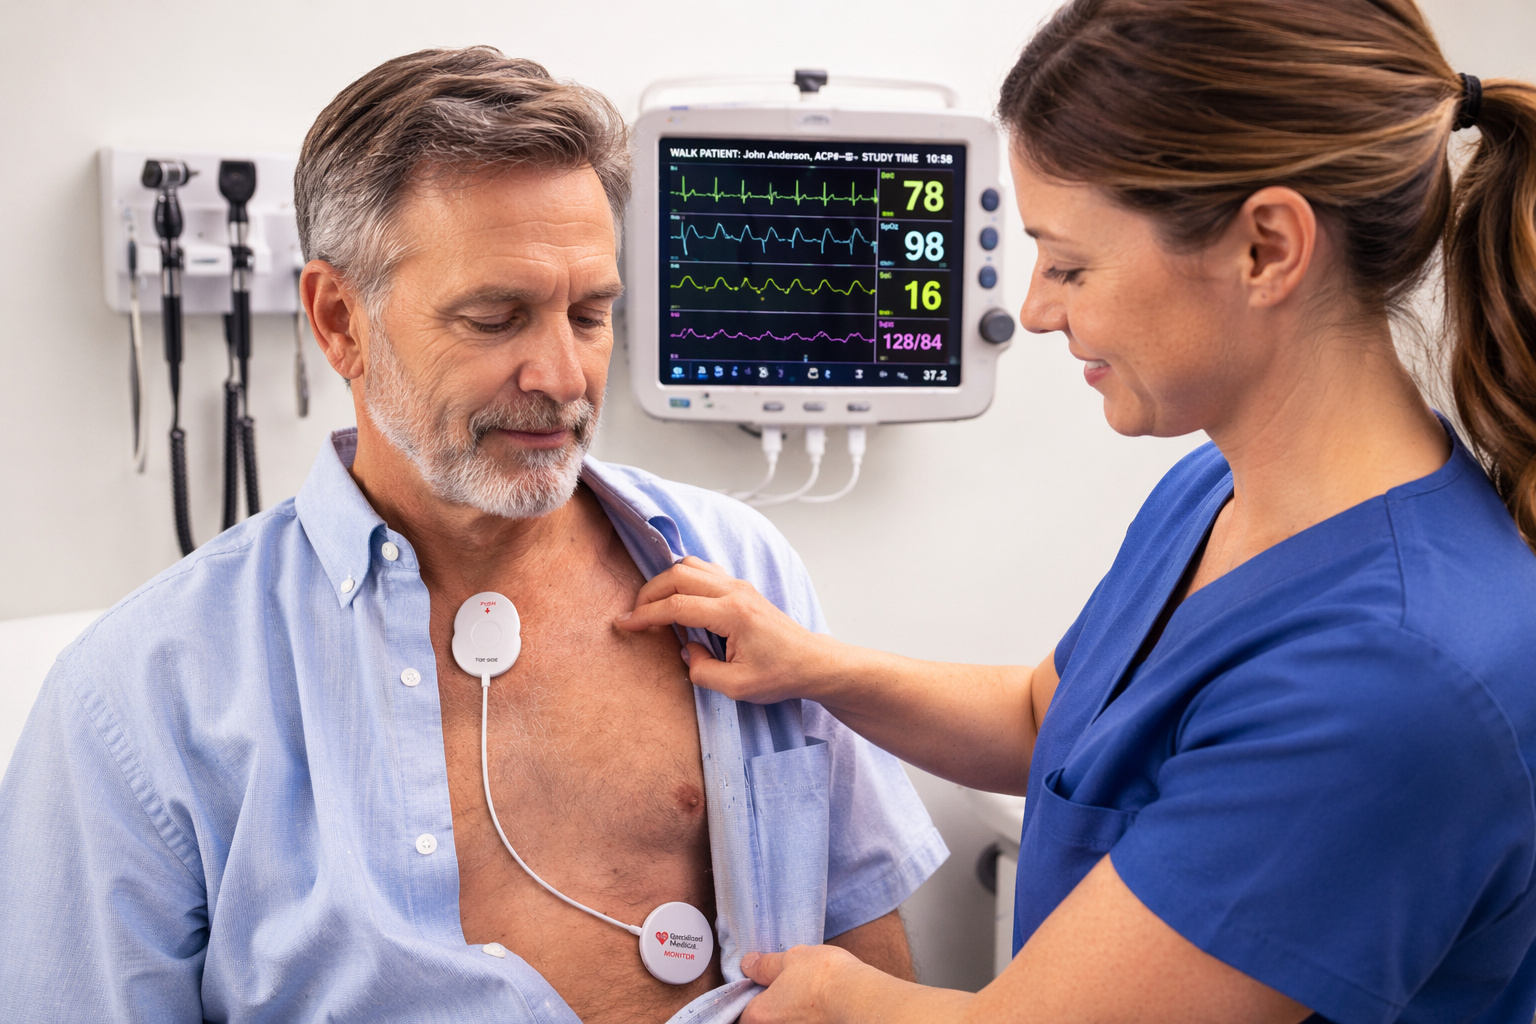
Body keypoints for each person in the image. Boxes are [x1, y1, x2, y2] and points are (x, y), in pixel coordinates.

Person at [618, 1, 1536, 1021]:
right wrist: (813, 667)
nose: (1039, 306)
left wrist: (835, 995)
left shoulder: (1392, 675)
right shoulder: (1215, 492)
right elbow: (1046, 720)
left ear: (1267, 249)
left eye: (1070, 262)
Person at [0, 49, 948, 1024]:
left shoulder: (737, 570)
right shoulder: (144, 695)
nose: (563, 375)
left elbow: (872, 979)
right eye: (496, 318)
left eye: (590, 313)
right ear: (339, 321)